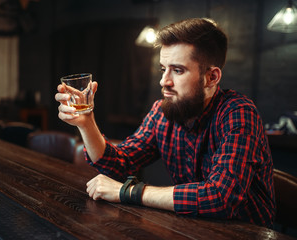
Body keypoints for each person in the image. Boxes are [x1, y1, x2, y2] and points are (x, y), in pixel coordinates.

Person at [55, 18, 275, 228]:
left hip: (244, 232)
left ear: (211, 78)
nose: (164, 81)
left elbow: (221, 197)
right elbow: (118, 164)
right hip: (191, 227)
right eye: (163, 69)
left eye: (177, 70)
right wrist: (86, 123)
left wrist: (128, 192)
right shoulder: (162, 112)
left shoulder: (238, 112)